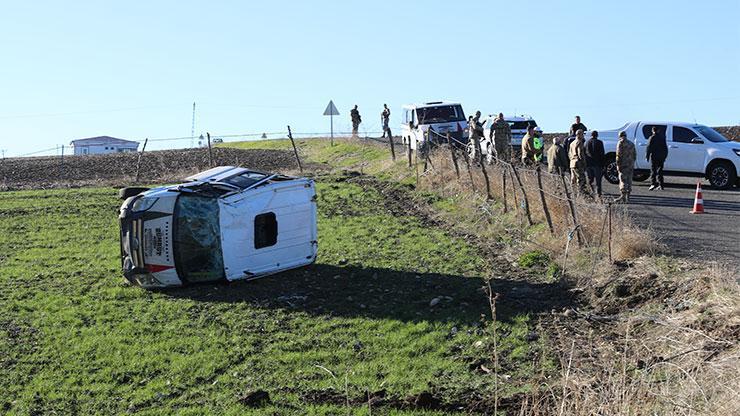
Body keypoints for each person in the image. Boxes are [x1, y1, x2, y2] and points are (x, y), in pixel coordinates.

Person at [615, 130, 636, 203]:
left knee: (623, 180)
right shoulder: (631, 143)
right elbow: (634, 155)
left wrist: (618, 165)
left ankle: (623, 196)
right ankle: (628, 197)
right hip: (630, 164)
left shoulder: (620, 143)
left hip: (623, 164)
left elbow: (618, 155)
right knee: (629, 180)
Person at [646, 126, 668, 190]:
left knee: (653, 170)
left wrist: (647, 156)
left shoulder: (652, 137)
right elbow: (665, 148)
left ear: (653, 131)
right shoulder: (662, 138)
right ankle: (661, 185)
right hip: (661, 156)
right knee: (660, 170)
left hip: (654, 156)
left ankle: (653, 184)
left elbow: (648, 147)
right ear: (658, 131)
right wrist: (665, 156)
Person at [585, 130, 605, 198]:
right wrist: (603, 165)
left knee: (590, 180)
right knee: (598, 181)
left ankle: (590, 192)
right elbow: (602, 154)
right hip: (597, 164)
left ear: (591, 135)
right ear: (597, 135)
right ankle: (598, 194)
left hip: (589, 164)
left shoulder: (587, 143)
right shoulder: (599, 142)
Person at [568, 129, 589, 195]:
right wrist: (584, 163)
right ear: (579, 135)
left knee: (573, 179)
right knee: (581, 179)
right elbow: (580, 154)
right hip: (578, 163)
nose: (583, 136)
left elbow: (569, 153)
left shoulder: (572, 143)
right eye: (582, 134)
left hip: (572, 163)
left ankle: (573, 193)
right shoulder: (579, 142)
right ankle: (581, 194)